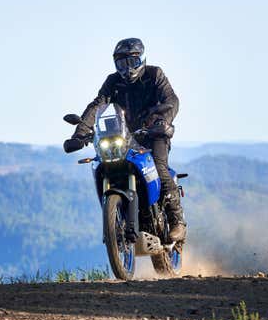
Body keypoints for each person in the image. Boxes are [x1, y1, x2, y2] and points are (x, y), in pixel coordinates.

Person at [65, 38, 186, 242]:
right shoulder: (113, 82)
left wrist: (163, 121)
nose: (127, 68)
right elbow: (97, 105)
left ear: (142, 59)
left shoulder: (154, 75)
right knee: (104, 160)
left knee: (159, 166)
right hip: (124, 136)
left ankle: (177, 221)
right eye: (122, 63)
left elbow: (171, 100)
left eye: (132, 62)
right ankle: (117, 218)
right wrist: (79, 134)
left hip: (154, 132)